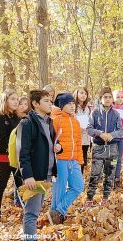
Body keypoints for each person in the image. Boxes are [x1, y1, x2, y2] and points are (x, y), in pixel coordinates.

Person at [17, 90, 62, 240]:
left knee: (36, 208)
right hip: (34, 175)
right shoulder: (27, 122)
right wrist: (28, 175)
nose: (50, 103)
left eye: (50, 100)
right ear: (36, 104)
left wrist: (58, 147)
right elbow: (23, 152)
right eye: (46, 101)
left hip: (47, 172)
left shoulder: (49, 121)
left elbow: (55, 142)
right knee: (31, 212)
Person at [49, 92, 84, 224]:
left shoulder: (75, 121)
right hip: (60, 160)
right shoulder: (55, 120)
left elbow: (79, 142)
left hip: (73, 160)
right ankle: (56, 217)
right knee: (60, 188)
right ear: (61, 105)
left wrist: (79, 160)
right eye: (68, 104)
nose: (71, 106)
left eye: (73, 103)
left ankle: (58, 211)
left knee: (78, 186)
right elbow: (51, 140)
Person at [85, 87, 123, 207]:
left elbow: (121, 131)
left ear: (112, 99)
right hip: (98, 148)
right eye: (105, 97)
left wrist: (112, 135)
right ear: (101, 99)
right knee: (95, 174)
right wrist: (100, 133)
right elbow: (89, 129)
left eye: (109, 97)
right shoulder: (95, 113)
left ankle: (105, 197)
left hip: (112, 149)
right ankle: (89, 198)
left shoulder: (116, 114)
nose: (107, 99)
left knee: (110, 175)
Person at [0, 89, 22, 228]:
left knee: (20, 185)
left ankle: (26, 213)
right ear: (5, 101)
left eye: (17, 99)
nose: (16, 101)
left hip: (17, 157)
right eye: (13, 99)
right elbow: (1, 140)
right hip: (4, 157)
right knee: (1, 185)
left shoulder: (17, 118)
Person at [73, 87, 92, 174]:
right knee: (75, 159)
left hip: (86, 137)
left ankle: (80, 178)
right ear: (76, 94)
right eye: (81, 93)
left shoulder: (89, 108)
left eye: (85, 93)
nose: (83, 95)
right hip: (76, 137)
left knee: (83, 159)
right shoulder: (73, 106)